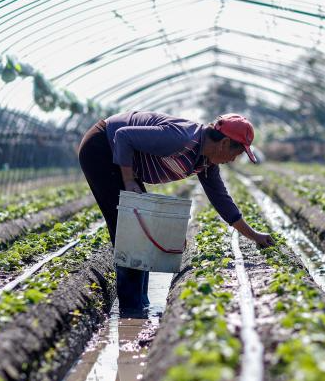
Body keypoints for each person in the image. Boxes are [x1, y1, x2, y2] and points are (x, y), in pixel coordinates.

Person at [77, 111, 275, 318]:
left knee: (138, 232)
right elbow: (124, 136)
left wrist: (254, 236)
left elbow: (221, 200)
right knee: (129, 232)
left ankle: (140, 304)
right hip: (102, 147)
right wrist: (128, 181)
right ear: (224, 143)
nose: (234, 159)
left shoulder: (206, 162)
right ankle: (132, 310)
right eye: (237, 153)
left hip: (121, 157)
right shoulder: (181, 139)